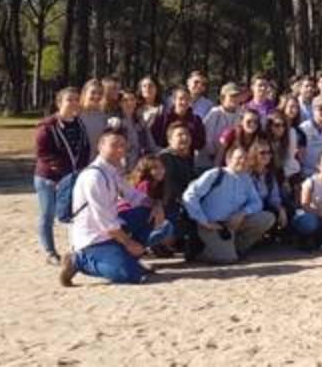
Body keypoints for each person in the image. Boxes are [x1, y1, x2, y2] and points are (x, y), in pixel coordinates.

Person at [60, 130, 152, 286]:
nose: (120, 150)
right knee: (130, 275)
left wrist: (154, 205)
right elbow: (105, 221)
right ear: (100, 146)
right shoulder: (94, 177)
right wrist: (129, 243)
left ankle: (128, 258)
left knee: (148, 213)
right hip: (93, 238)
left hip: (111, 231)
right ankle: (78, 260)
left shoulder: (112, 172)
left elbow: (133, 195)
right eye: (114, 145)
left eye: (123, 146)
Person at [181, 146, 275, 264]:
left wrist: (242, 213)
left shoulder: (246, 178)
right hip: (211, 225)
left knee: (266, 218)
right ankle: (201, 253)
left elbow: (257, 202)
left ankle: (234, 248)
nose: (243, 161)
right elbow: (189, 195)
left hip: (233, 223)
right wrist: (203, 220)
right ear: (228, 160)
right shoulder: (215, 174)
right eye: (239, 158)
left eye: (246, 158)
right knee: (227, 259)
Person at [34, 87, 91, 264]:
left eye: (76, 99)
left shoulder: (79, 123)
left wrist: (80, 169)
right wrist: (61, 174)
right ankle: (50, 253)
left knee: (73, 213)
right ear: (59, 103)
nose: (73, 103)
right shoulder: (47, 125)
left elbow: (85, 147)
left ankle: (77, 248)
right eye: (69, 100)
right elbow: (42, 153)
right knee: (47, 214)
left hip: (72, 176)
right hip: (49, 178)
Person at [292, 151, 322, 249]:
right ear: (318, 166)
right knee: (312, 223)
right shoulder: (310, 182)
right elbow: (305, 206)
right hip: (305, 215)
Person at [150, 86, 206, 157]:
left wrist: (186, 145)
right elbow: (154, 138)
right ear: (174, 100)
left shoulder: (196, 120)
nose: (184, 102)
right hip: (166, 156)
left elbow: (201, 142)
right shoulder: (163, 118)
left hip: (187, 158)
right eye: (181, 99)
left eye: (187, 99)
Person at [201, 83, 243, 170]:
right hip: (210, 159)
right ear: (223, 98)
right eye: (232, 96)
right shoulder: (215, 113)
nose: (235, 99)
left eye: (237, 96)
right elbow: (207, 137)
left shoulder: (241, 113)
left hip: (232, 160)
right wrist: (215, 155)